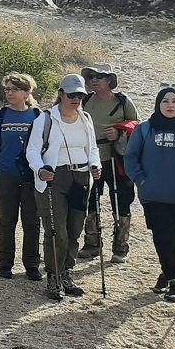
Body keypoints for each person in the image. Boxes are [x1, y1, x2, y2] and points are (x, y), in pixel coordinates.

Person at [124, 85, 175, 303]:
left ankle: (165, 273)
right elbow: (131, 158)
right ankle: (174, 282)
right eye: (165, 101)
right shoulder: (145, 130)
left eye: (174, 101)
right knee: (163, 235)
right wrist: (141, 180)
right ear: (158, 104)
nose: (170, 105)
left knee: (173, 237)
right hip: (153, 195)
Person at [26, 74, 103, 301]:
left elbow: (93, 148)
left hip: (81, 177)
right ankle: (53, 276)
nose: (76, 99)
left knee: (74, 229)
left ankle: (66, 272)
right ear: (61, 94)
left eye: (80, 95)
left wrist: (95, 165)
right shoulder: (45, 119)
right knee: (56, 231)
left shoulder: (85, 118)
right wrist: (40, 169)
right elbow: (32, 150)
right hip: (54, 178)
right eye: (71, 95)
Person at [78, 63, 141, 264]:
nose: (94, 80)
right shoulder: (85, 100)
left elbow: (137, 126)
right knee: (90, 200)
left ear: (109, 80)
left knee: (121, 201)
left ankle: (120, 247)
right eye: (91, 77)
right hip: (91, 158)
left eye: (99, 76)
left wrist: (119, 131)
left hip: (117, 159)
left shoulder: (123, 101)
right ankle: (92, 244)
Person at [0, 73, 43, 281]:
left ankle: (32, 265)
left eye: (15, 89)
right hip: (5, 173)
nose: (9, 93)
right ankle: (5, 264)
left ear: (27, 93)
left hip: (31, 176)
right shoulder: (0, 116)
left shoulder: (37, 116)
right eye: (7, 89)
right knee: (6, 220)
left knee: (32, 221)